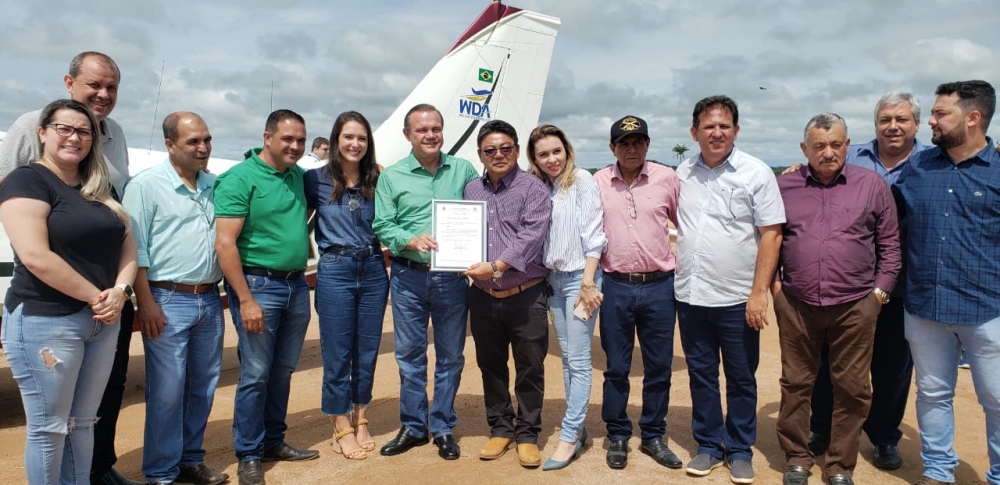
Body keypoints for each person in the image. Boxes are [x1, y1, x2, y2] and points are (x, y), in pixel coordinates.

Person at [0, 51, 140, 485]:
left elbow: (126, 240)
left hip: (101, 318)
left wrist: (120, 291)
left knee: (83, 424)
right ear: (42, 132)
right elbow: (36, 253)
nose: (76, 137)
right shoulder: (28, 175)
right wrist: (100, 297)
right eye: (64, 129)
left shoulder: (100, 179)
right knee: (49, 428)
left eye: (84, 132)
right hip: (48, 315)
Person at [774, 113, 900, 485]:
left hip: (856, 304)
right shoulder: (785, 186)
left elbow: (890, 245)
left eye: (835, 144)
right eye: (819, 146)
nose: (828, 152)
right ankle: (797, 456)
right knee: (796, 383)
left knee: (853, 387)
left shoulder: (872, 185)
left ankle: (840, 465)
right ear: (804, 149)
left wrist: (880, 292)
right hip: (796, 303)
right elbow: (770, 238)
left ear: (847, 145)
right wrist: (776, 289)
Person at [805, 92, 925, 471]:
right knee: (829, 364)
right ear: (874, 124)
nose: (893, 126)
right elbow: (819, 165)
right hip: (847, 284)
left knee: (892, 365)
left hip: (904, 280)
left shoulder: (932, 161)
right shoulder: (849, 154)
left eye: (902, 119)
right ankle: (821, 428)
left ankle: (884, 436)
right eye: (885, 119)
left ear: (916, 125)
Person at [893, 80, 1000, 485]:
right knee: (933, 394)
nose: (930, 122)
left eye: (940, 114)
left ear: (973, 118)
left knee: (997, 401)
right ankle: (938, 471)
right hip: (925, 306)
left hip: (987, 309)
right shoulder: (919, 167)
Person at [674, 96, 784, 484]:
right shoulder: (683, 172)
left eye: (724, 126)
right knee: (701, 375)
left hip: (738, 299)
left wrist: (759, 293)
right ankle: (707, 445)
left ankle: (739, 449)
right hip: (690, 297)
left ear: (736, 130)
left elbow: (772, 234)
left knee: (741, 377)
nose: (716, 132)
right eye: (708, 126)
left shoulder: (756, 173)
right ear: (694, 133)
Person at [122, 112, 228, 485]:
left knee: (203, 385)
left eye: (207, 139)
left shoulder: (215, 186)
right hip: (166, 300)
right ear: (170, 144)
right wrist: (145, 302)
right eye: (193, 142)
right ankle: (162, 473)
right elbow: (135, 248)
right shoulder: (146, 186)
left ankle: (190, 460)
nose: (203, 148)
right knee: (167, 390)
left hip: (210, 300)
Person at [214, 109, 318, 485]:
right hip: (259, 287)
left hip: (296, 285)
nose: (294, 146)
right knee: (256, 373)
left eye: (301, 140)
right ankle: (249, 453)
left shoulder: (298, 177)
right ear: (267, 137)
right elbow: (225, 244)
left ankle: (274, 439)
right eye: (287, 139)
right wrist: (244, 299)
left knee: (283, 370)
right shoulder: (240, 179)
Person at [372, 104, 479, 461]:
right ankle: (415, 426)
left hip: (452, 278)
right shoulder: (393, 176)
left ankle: (443, 425)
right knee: (408, 356)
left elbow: (482, 214)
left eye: (436, 128)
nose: (430, 135)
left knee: (451, 356)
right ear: (408, 135)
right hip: (408, 276)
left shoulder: (463, 170)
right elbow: (383, 224)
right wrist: (409, 240)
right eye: (422, 130)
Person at [594, 115, 683, 470]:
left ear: (647, 145)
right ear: (612, 148)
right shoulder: (598, 182)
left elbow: (686, 224)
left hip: (660, 287)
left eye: (638, 142)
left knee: (659, 366)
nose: (631, 149)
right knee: (616, 366)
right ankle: (617, 434)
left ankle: (653, 435)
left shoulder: (666, 179)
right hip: (614, 286)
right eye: (624, 143)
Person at [465, 120, 551, 468]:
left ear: (516, 149)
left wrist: (498, 266)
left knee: (530, 365)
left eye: (505, 148)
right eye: (490, 150)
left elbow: (531, 237)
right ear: (481, 155)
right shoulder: (472, 190)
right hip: (483, 295)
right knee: (490, 365)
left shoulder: (534, 189)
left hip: (525, 294)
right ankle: (500, 427)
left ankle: (528, 433)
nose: (498, 155)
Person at [304, 111, 389, 461]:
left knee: (367, 350)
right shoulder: (314, 179)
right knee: (337, 351)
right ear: (336, 139)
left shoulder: (378, 178)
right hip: (335, 269)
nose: (355, 144)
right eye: (348, 137)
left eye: (362, 138)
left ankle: (361, 415)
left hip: (372, 268)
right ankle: (340, 422)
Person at [525, 124, 606, 471]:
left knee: (579, 360)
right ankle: (579, 424)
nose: (551, 159)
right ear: (535, 158)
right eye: (543, 154)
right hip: (553, 282)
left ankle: (570, 435)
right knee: (569, 359)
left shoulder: (582, 181)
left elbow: (595, 236)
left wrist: (588, 283)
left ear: (567, 150)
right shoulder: (542, 186)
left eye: (556, 151)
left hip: (579, 281)